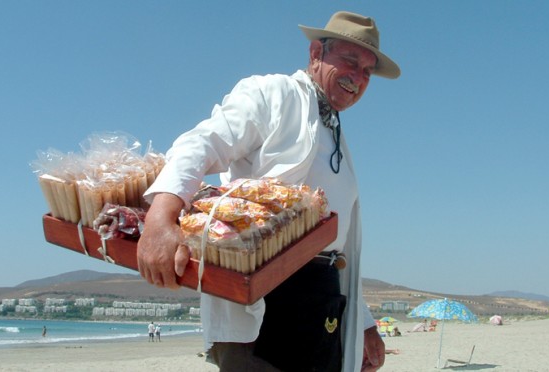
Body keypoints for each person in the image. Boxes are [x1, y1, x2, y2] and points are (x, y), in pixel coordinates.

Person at [136, 10, 400, 372]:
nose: (358, 77)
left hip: (322, 301)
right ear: (315, 55)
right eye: (350, 60)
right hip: (262, 291)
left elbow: (335, 246)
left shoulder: (334, 130)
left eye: (368, 71)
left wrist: (364, 323)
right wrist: (160, 217)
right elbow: (203, 142)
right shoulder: (274, 92)